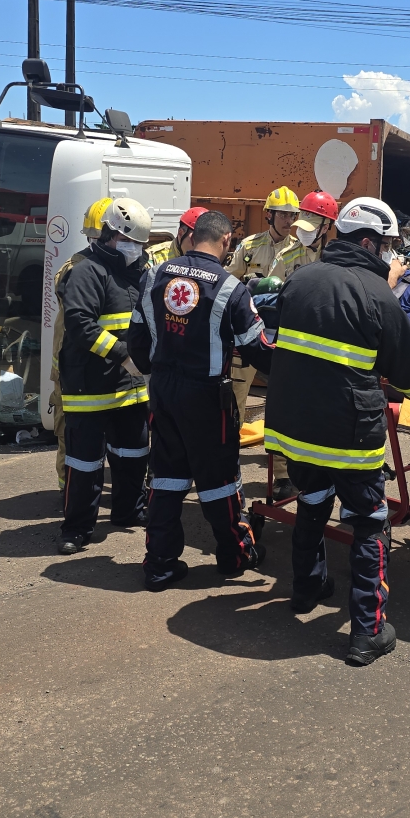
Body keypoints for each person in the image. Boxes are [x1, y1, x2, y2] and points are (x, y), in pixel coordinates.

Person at [265, 197, 410, 666]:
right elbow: (409, 375)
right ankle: (367, 631)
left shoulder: (300, 277)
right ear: (368, 242)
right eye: (384, 247)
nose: (387, 255)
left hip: (293, 427)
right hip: (349, 432)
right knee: (368, 525)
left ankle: (307, 589)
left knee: (312, 501)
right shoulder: (378, 294)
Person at [129, 210, 274, 590]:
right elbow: (257, 349)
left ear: (192, 237)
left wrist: (155, 369)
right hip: (207, 397)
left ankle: (159, 565)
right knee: (219, 481)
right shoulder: (231, 288)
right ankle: (233, 554)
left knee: (167, 476)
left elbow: (138, 339)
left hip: (162, 390)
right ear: (226, 241)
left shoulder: (155, 276)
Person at [55, 198, 152, 555]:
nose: (136, 249)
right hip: (90, 387)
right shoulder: (86, 271)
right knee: (84, 463)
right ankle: (77, 528)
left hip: (131, 388)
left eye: (140, 244)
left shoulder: (141, 272)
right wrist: (124, 354)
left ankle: (129, 511)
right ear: (111, 236)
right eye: (131, 242)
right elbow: (81, 324)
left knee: (133, 455)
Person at [226, 186, 302, 499]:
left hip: (283, 342)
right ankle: (227, 468)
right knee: (232, 403)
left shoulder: (302, 249)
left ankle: (283, 476)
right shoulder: (249, 246)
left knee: (282, 408)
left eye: (292, 215)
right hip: (248, 338)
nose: (288, 219)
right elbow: (228, 284)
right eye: (283, 213)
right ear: (269, 214)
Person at [49, 198, 109, 495]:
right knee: (69, 434)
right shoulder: (77, 270)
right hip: (73, 370)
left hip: (105, 370)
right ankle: (68, 492)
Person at [267, 190, 339, 279]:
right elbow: (271, 290)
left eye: (308, 229)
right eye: (301, 227)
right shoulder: (285, 257)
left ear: (325, 228)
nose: (303, 231)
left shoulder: (335, 259)